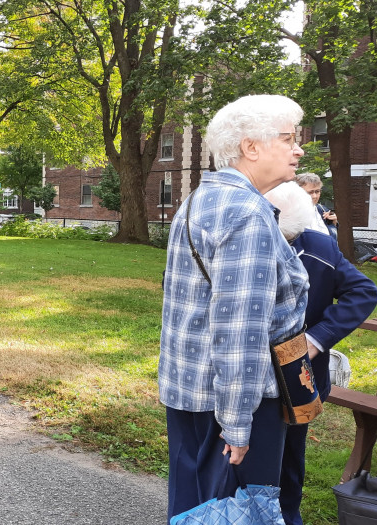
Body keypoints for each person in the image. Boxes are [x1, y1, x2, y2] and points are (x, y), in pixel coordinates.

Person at [159, 94, 311, 519]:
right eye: (288, 139)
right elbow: (240, 330)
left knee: (195, 510)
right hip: (233, 402)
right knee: (238, 513)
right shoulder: (246, 212)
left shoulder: (196, 201)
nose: (298, 149)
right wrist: (238, 425)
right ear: (251, 147)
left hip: (190, 391)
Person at [264, 181, 377, 525]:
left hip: (298, 379)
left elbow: (363, 291)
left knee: (290, 457)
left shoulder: (320, 247)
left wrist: (317, 340)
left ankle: (288, 515)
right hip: (250, 373)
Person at [295, 172, 337, 238]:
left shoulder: (323, 210)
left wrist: (333, 223)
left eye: (317, 191)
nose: (314, 196)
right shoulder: (289, 214)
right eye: (310, 192)